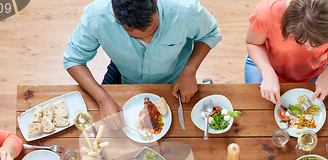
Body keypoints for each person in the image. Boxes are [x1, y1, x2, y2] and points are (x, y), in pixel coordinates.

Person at [63, 0, 222, 125]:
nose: (149, 41)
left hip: (176, 79)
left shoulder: (186, 9)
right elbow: (73, 59)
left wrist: (190, 71)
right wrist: (103, 100)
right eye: (137, 38)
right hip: (124, 75)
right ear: (115, 17)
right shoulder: (96, 16)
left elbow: (210, 34)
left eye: (154, 31)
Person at [245, 0, 328, 104]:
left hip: (314, 71)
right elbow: (254, 43)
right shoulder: (266, 12)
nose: (309, 49)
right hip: (266, 65)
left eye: (316, 45)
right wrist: (267, 73)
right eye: (300, 41)